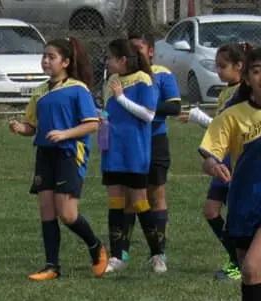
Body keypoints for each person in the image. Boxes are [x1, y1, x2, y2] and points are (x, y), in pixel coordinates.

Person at [9, 37, 108, 281]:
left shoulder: (77, 89)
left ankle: (95, 246)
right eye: (44, 56)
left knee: (68, 214)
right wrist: (21, 128)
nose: (46, 61)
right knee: (46, 210)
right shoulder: (40, 92)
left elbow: (92, 124)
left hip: (69, 154)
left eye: (51, 57)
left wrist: (65, 134)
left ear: (65, 62)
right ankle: (52, 266)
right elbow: (32, 126)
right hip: (45, 153)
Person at [199, 47, 261, 301]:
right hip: (243, 204)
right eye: (257, 71)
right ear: (247, 78)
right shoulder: (233, 117)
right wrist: (213, 165)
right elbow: (211, 154)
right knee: (254, 274)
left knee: (250, 268)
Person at [184, 42, 251, 281]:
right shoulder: (226, 92)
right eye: (217, 66)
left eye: (223, 66)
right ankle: (235, 259)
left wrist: (197, 116)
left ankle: (238, 262)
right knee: (211, 211)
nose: (218, 71)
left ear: (239, 66)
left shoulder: (245, 93)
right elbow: (220, 128)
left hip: (238, 163)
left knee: (237, 215)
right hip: (220, 160)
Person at [119, 33, 180, 273]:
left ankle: (158, 254)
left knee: (155, 195)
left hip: (154, 141)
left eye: (139, 48)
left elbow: (175, 106)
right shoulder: (121, 78)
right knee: (129, 199)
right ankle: (121, 253)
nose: (135, 53)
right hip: (129, 143)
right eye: (131, 49)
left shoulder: (162, 74)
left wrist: (148, 110)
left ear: (151, 51)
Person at [100, 38, 157, 275]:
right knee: (115, 203)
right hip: (113, 150)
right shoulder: (111, 81)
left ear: (122, 59)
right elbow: (108, 110)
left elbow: (148, 115)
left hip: (135, 151)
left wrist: (122, 98)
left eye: (110, 57)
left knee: (139, 202)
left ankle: (157, 253)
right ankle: (117, 255)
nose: (107, 61)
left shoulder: (143, 80)